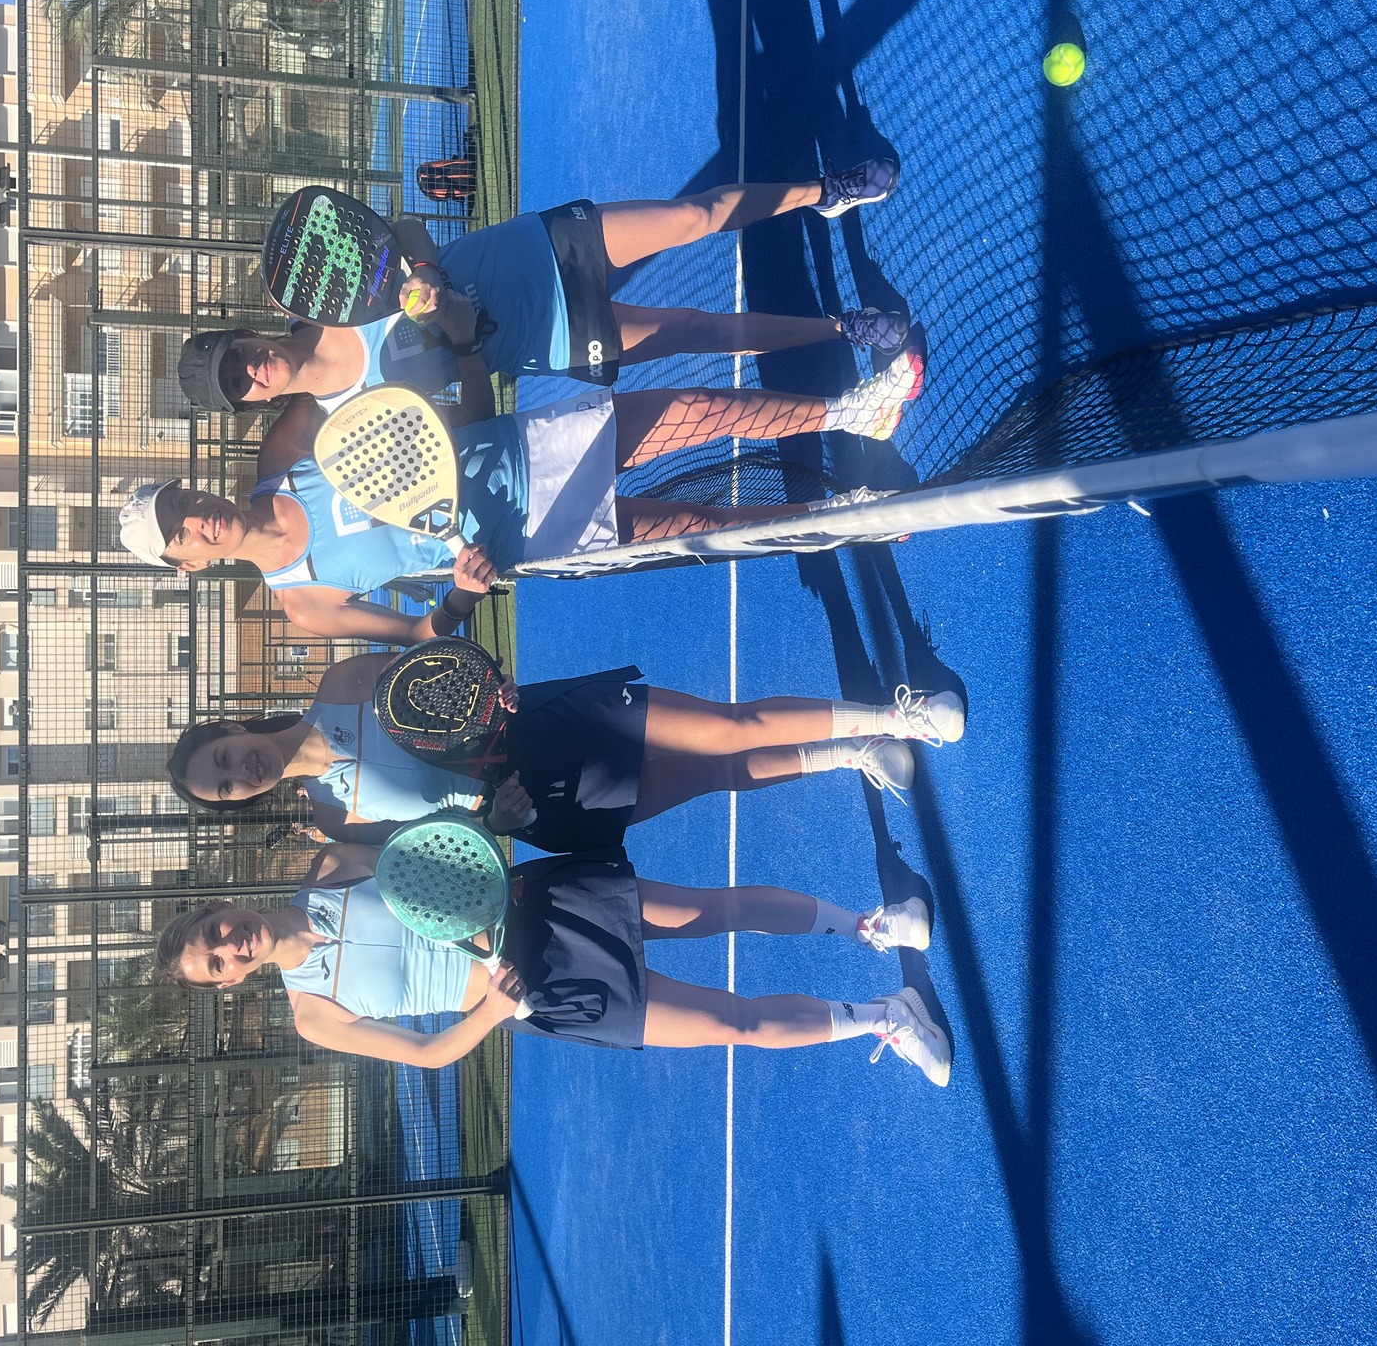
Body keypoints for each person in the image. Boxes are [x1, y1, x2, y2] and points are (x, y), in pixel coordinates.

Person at [117, 341, 923, 646]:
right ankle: (844, 518)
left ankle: (854, 412)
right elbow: (420, 631)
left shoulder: (283, 449)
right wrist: (462, 598)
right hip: (530, 539)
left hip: (520, 446)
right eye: (180, 533)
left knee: (695, 409)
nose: (196, 519)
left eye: (181, 503)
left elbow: (338, 372)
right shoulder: (302, 603)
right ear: (189, 565)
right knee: (696, 520)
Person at [154, 840, 954, 1086]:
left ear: (222, 905)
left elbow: (436, 848)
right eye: (217, 963)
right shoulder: (311, 1015)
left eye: (214, 931)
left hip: (542, 908)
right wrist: (494, 1009)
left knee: (713, 909)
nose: (229, 945)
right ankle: (884, 1016)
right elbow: (429, 1052)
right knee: (729, 1024)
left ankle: (870, 926)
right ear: (232, 983)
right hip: (538, 990)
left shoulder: (330, 867)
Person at [174, 162, 911, 417]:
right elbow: (471, 419)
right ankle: (846, 328)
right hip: (549, 338)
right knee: (702, 330)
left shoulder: (322, 293)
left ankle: (825, 192)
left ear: (246, 334)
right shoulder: (349, 418)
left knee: (694, 216)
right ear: (252, 405)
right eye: (240, 385)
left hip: (536, 250)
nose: (252, 370)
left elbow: (403, 226)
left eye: (237, 356)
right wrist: (463, 342)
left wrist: (426, 270)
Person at [162, 649, 967, 847]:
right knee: (712, 775)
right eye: (226, 788)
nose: (240, 772)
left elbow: (436, 662)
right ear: (242, 801)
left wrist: (490, 680)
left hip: (542, 722)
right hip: (538, 802)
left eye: (223, 757)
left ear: (231, 730)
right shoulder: (334, 820)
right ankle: (852, 754)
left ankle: (898, 716)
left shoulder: (339, 684)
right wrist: (496, 824)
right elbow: (444, 843)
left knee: (728, 728)